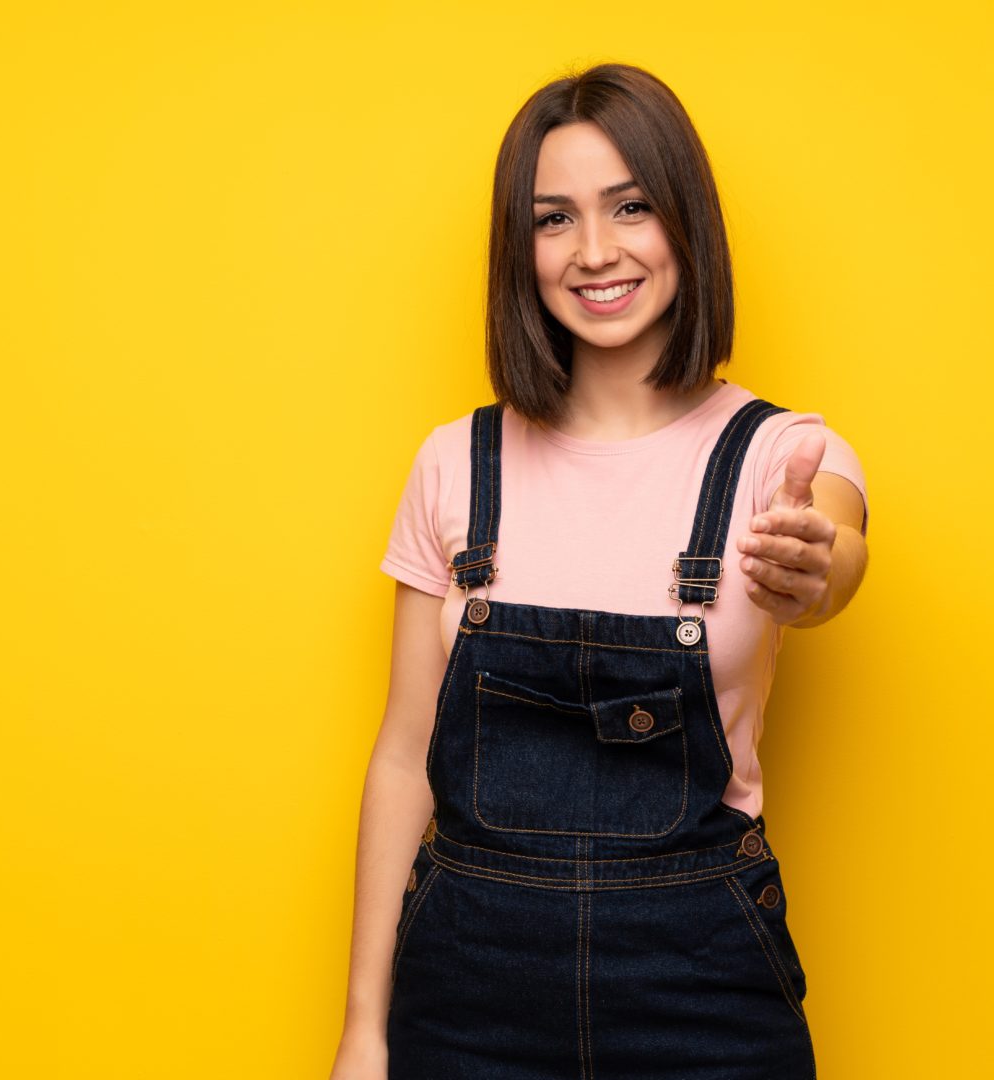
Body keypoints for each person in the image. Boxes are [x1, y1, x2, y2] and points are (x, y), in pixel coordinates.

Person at [330, 62, 869, 1079]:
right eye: (552, 219)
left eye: (630, 207)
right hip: (464, 985)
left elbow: (836, 556)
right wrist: (364, 1027)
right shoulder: (455, 463)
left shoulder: (780, 456)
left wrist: (817, 568)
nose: (594, 252)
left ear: (684, 222)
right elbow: (403, 757)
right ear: (518, 249)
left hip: (698, 987)